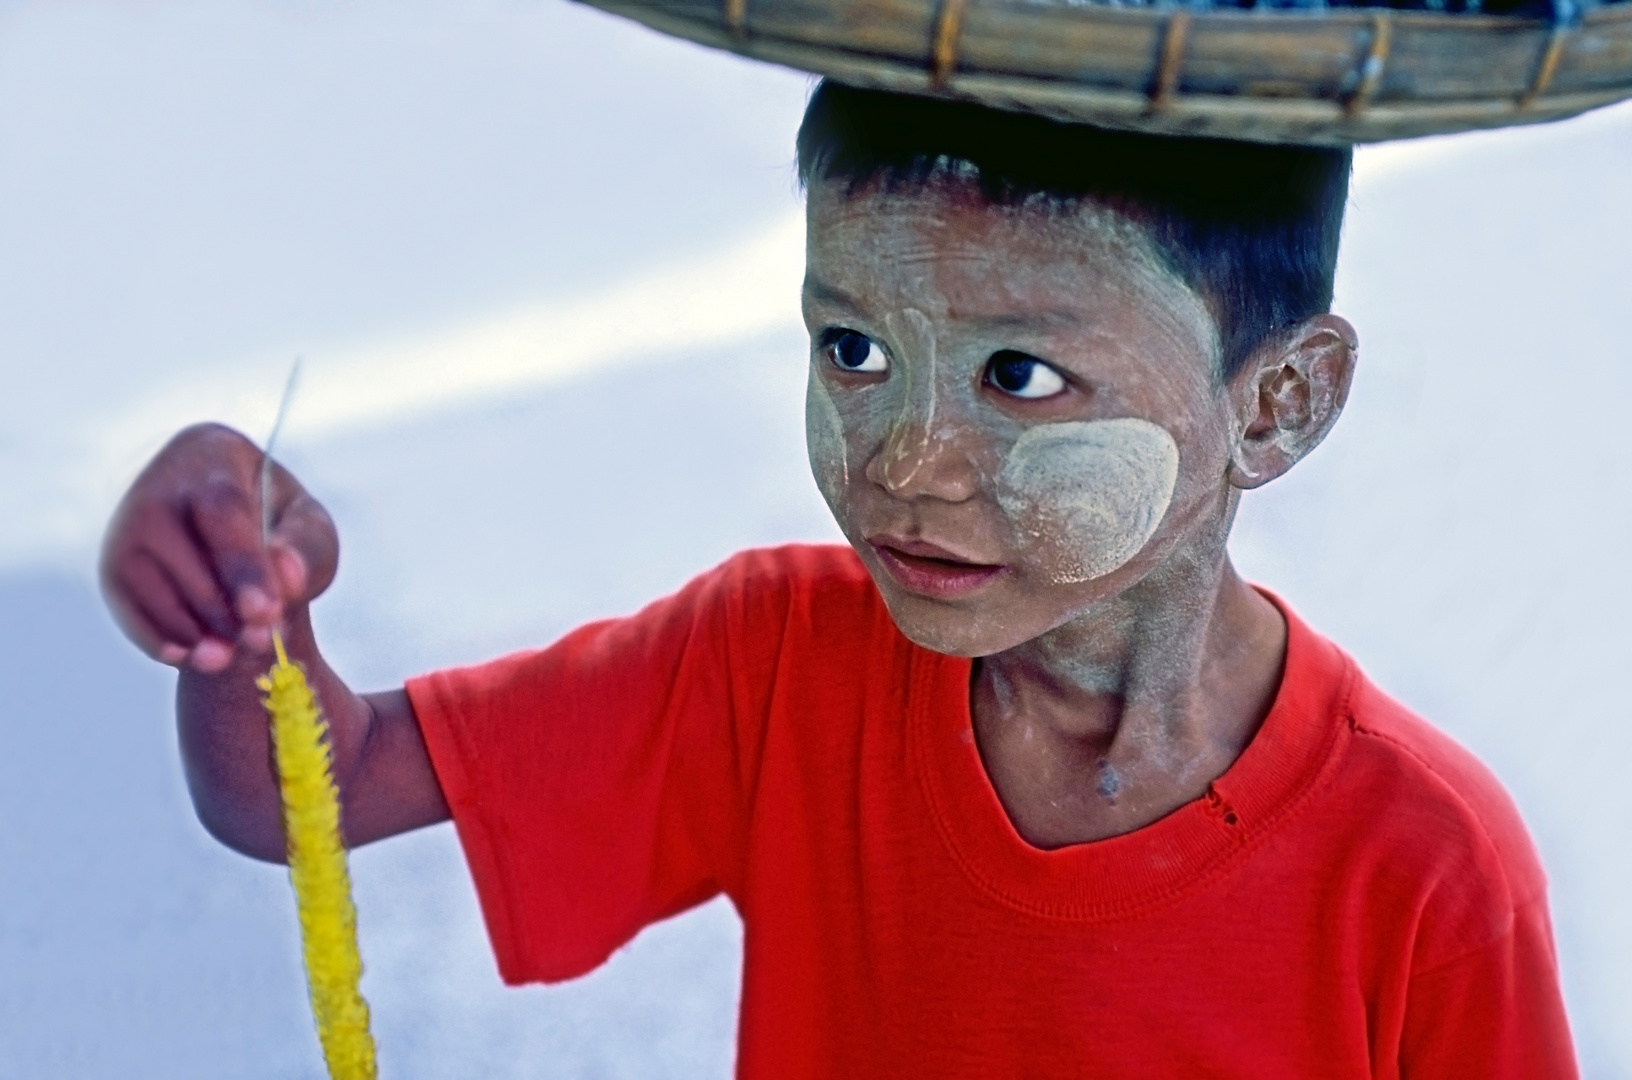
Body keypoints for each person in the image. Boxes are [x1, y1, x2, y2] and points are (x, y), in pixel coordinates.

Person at [99, 81, 1577, 1077]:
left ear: (1277, 406)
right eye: (852, 350)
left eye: (1023, 374)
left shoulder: (1425, 867)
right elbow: (314, 789)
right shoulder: (779, 661)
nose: (904, 466)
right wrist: (244, 613)